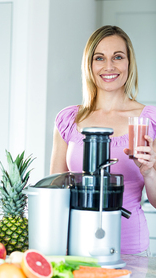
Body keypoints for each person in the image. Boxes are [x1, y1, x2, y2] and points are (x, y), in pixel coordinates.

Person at [50, 25, 156, 255]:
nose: (109, 66)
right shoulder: (69, 119)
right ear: (89, 65)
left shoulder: (148, 121)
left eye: (118, 57)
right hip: (76, 248)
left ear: (129, 63)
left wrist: (149, 172)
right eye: (100, 58)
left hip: (130, 249)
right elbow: (54, 193)